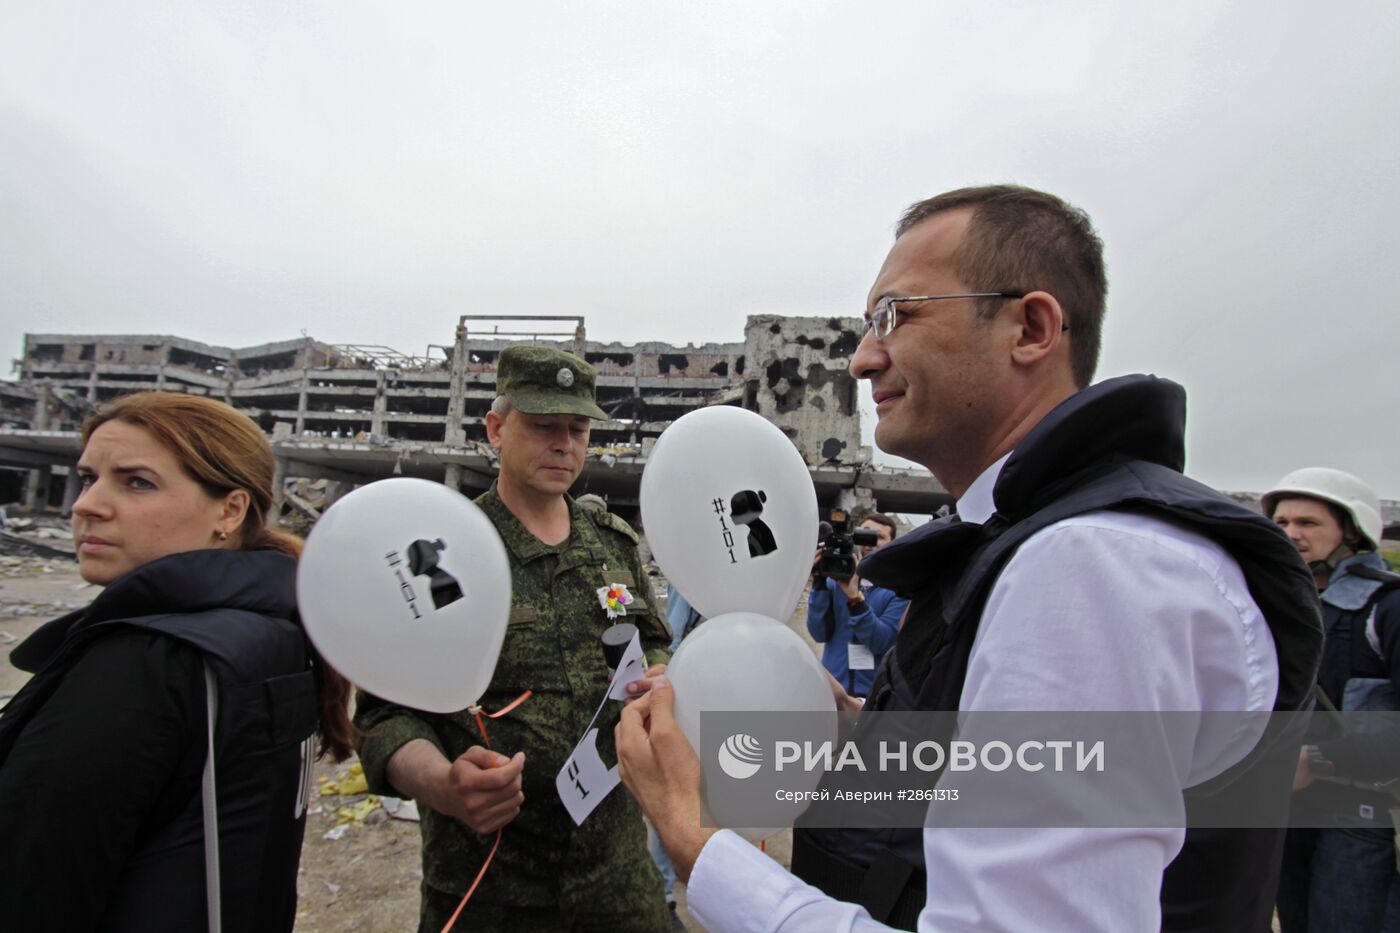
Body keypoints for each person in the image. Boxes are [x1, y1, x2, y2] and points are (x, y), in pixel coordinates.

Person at [617, 184, 1323, 932]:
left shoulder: (1085, 565)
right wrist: (865, 728)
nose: (863, 359)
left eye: (896, 314)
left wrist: (702, 846)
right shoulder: (1043, 538)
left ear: (1030, 327)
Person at [0, 391, 357, 932]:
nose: (85, 504)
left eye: (136, 482)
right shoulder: (275, 631)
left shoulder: (146, 663)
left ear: (230, 510)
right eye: (89, 477)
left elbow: (31, 890)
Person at [355, 345, 672, 932]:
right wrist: (445, 785)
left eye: (577, 429)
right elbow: (384, 717)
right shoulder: (442, 554)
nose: (565, 444)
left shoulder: (613, 544)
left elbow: (654, 641)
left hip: (617, 880)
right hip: (491, 887)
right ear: (497, 428)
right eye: (545, 426)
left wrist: (656, 676)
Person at [1266, 468, 1400, 931]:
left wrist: (1321, 760)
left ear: (1353, 532)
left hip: (1365, 819)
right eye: (1281, 523)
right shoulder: (1279, 608)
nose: (1290, 534)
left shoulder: (1389, 609)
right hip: (1288, 812)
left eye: (1308, 523)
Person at [806, 513, 909, 698]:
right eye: (865, 534)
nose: (871, 542)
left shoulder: (898, 591)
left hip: (873, 696)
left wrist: (855, 599)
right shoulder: (834, 582)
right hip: (833, 691)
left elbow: (881, 642)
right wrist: (819, 582)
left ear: (892, 543)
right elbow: (818, 633)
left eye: (880, 537)